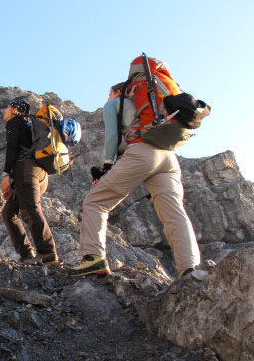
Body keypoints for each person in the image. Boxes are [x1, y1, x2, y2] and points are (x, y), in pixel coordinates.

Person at [69, 80, 201, 278]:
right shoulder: (153, 108)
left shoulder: (114, 104)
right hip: (169, 159)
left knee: (95, 202)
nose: (107, 97)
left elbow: (112, 137)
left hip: (142, 153)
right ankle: (189, 268)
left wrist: (106, 166)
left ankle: (92, 257)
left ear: (118, 92)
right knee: (174, 213)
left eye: (109, 93)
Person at [0, 99, 59, 264]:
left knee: (30, 209)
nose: (4, 110)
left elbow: (13, 149)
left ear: (14, 110)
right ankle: (26, 254)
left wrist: (6, 174)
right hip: (40, 173)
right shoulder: (28, 125)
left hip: (26, 170)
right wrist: (13, 181)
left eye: (7, 107)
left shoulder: (14, 122)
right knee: (9, 213)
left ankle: (47, 252)